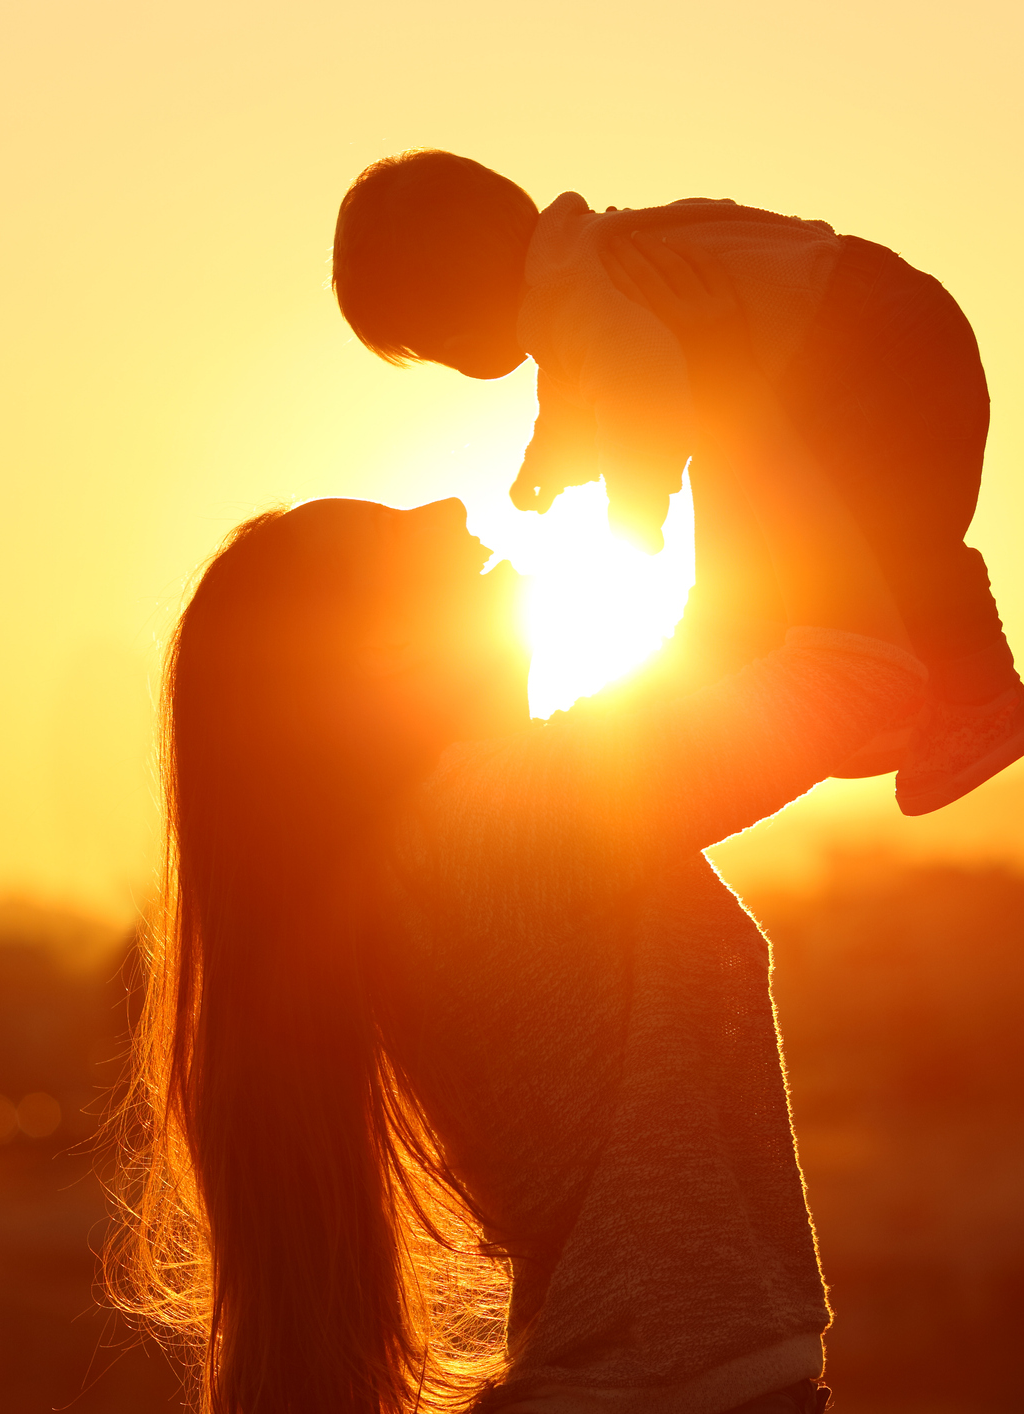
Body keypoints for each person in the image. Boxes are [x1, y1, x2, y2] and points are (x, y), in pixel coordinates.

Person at [112, 238, 925, 1414]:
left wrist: (696, 420)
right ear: (368, 665)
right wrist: (743, 403)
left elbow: (733, 658)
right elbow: (855, 675)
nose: (448, 501)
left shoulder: (468, 827)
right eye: (396, 538)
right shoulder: (503, 819)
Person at [330, 149, 1024, 817]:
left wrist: (636, 514)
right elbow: (580, 391)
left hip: (869, 345)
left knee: (887, 542)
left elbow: (639, 398)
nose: (452, 361)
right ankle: (882, 690)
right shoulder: (583, 271)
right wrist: (549, 466)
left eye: (438, 345)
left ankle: (976, 696)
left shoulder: (583, 301)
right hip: (868, 322)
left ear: (461, 319)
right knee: (812, 554)